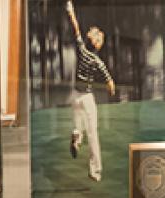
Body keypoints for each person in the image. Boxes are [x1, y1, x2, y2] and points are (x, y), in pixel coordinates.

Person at [65, 0, 115, 182]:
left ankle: (76, 138)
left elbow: (76, 28)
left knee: (78, 124)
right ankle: (95, 170)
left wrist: (71, 12)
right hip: (86, 96)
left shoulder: (81, 50)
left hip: (75, 95)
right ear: (98, 44)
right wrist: (111, 85)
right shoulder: (95, 60)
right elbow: (107, 76)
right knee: (93, 132)